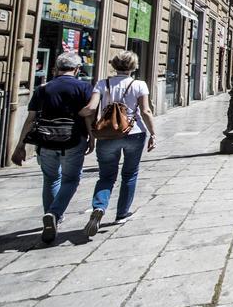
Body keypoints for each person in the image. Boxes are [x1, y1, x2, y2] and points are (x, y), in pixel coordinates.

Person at [11, 51, 99, 243]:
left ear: (57, 68)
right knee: (71, 180)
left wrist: (20, 144)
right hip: (73, 140)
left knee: (50, 179)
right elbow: (88, 116)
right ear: (76, 69)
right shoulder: (84, 87)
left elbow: (30, 119)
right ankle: (54, 214)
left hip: (46, 141)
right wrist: (92, 137)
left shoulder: (43, 89)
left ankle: (51, 219)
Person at [83, 51, 156, 237]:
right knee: (130, 174)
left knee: (106, 176)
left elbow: (91, 108)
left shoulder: (102, 83)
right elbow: (146, 111)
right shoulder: (139, 84)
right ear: (133, 66)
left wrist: (89, 127)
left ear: (115, 66)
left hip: (107, 134)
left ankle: (99, 207)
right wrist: (153, 133)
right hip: (134, 132)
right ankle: (122, 213)